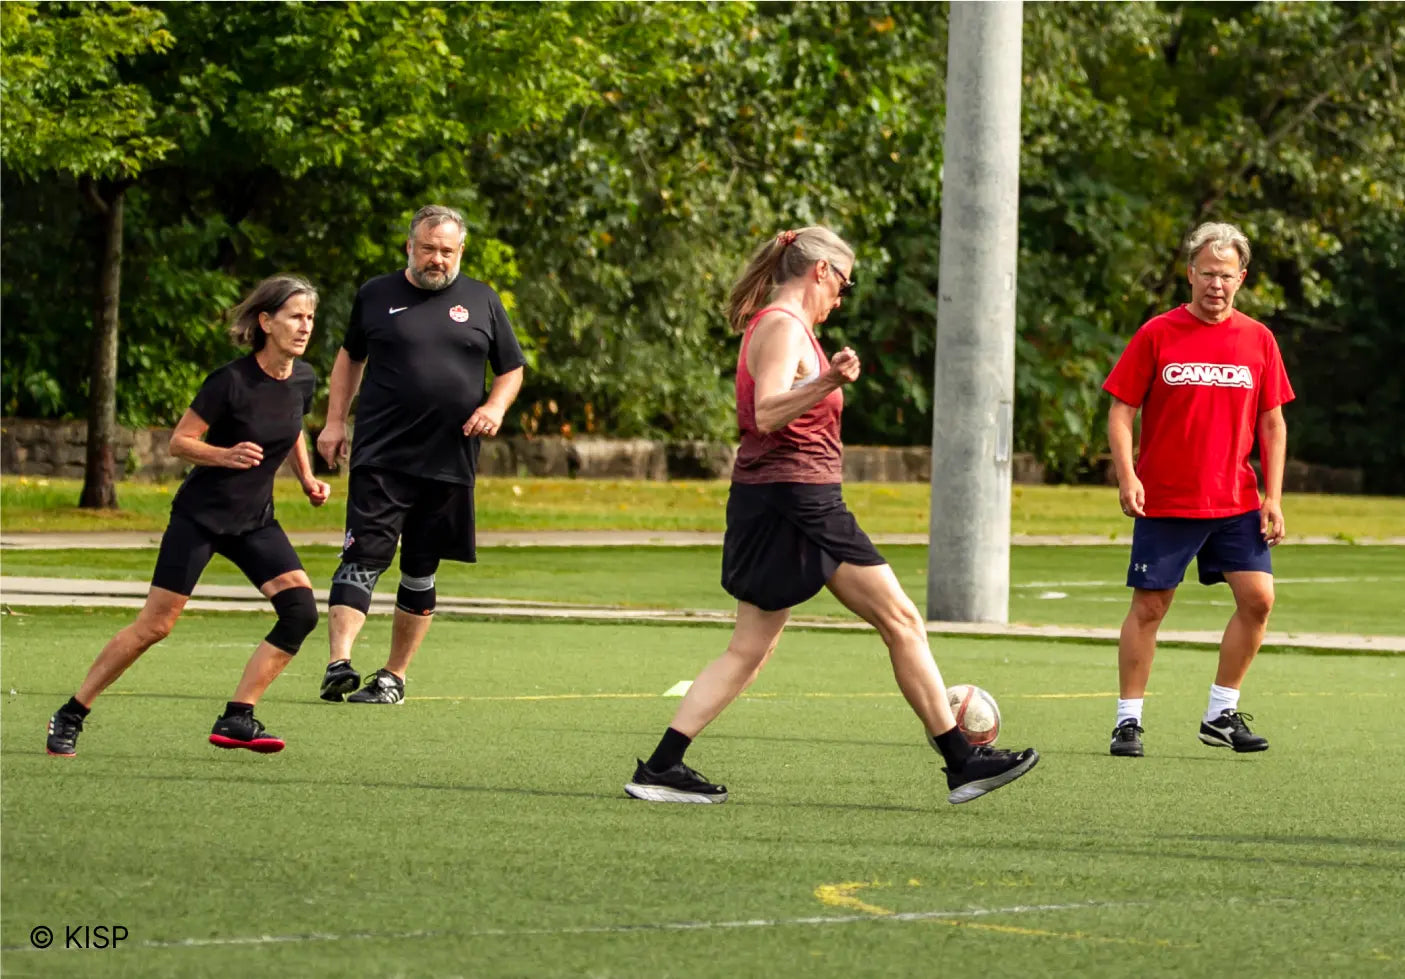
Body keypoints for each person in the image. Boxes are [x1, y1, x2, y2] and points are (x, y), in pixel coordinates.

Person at [624, 226, 1040, 806]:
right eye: (843, 283)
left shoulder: (788, 328)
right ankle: (960, 761)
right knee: (901, 620)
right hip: (799, 499)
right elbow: (766, 414)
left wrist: (822, 378)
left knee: (752, 648)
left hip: (778, 497)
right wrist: (828, 380)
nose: (841, 298)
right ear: (821, 271)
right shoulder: (780, 326)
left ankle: (663, 766)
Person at [45, 275, 330, 757]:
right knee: (155, 627)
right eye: (295, 317)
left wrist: (305, 478)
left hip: (255, 521)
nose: (305, 327)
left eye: (310, 318)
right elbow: (180, 443)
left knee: (300, 612)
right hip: (201, 518)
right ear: (265, 322)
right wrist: (224, 455)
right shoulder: (230, 381)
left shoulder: (303, 378)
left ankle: (238, 716)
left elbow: (293, 424)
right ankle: (71, 712)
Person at [316, 205, 526, 704]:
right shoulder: (376, 294)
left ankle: (393, 677)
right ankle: (338, 663)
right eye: (428, 248)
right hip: (381, 455)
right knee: (362, 556)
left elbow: (511, 368)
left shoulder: (482, 300)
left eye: (446, 251)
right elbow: (350, 359)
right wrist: (333, 421)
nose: (437, 259)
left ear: (460, 252)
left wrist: (495, 407)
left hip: (449, 460)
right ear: (409, 246)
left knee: (420, 569)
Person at [1102, 221, 1294, 758]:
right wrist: (1128, 475)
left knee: (1258, 600)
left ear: (1242, 278)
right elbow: (1121, 412)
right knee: (1151, 607)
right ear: (1190, 274)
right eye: (1207, 273)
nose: (1216, 284)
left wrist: (1273, 495)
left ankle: (1221, 713)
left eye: (1226, 275)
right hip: (1166, 498)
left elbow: (1273, 424)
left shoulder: (1259, 339)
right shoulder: (1157, 333)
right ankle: (1128, 721)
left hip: (1236, 499)